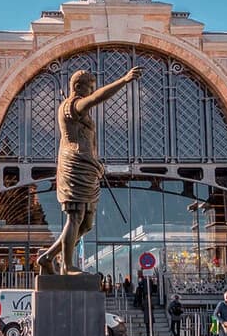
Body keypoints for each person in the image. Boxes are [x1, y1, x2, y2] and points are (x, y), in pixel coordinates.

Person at [33, 66, 144, 274]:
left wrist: (97, 163)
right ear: (77, 87)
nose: (91, 91)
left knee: (86, 224)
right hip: (75, 166)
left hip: (88, 167)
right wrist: (124, 80)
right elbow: (96, 99)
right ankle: (66, 266)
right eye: (89, 87)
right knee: (75, 217)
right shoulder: (72, 105)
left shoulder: (80, 110)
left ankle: (47, 257)